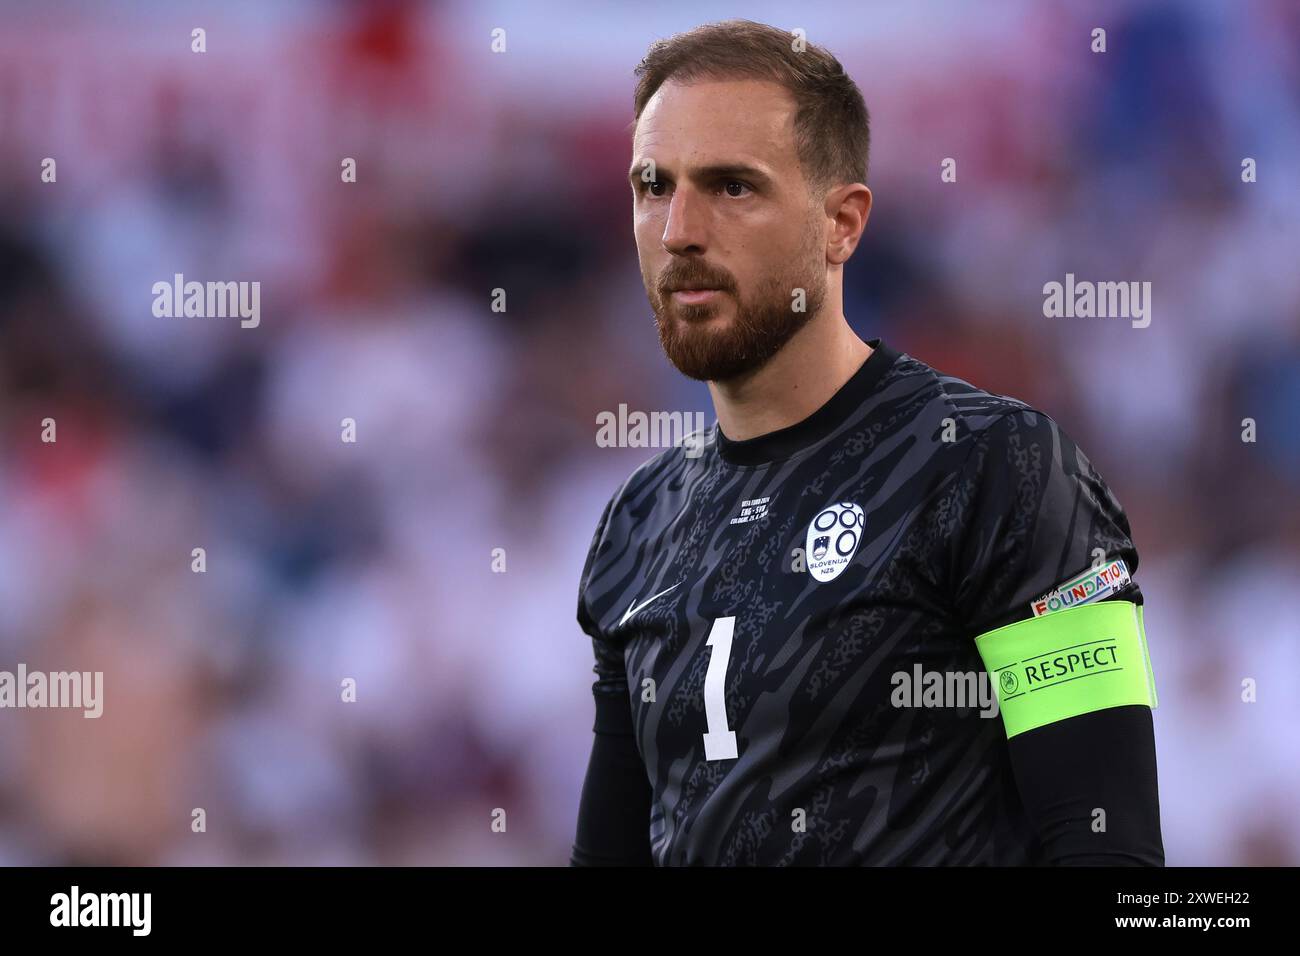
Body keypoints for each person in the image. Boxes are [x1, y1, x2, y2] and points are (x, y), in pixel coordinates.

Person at [571, 19, 1163, 865]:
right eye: (653, 185)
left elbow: (1114, 855)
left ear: (841, 224)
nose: (679, 231)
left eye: (733, 186)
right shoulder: (638, 521)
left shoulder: (999, 469)